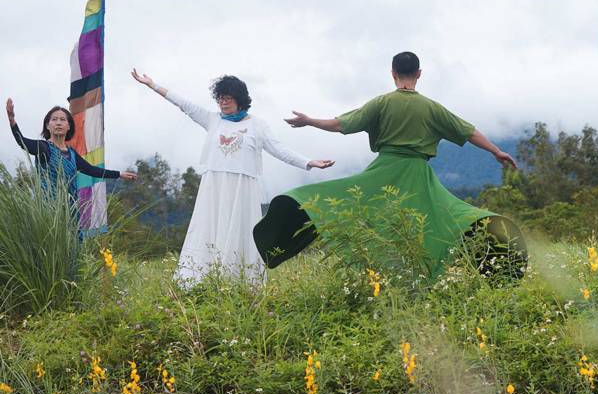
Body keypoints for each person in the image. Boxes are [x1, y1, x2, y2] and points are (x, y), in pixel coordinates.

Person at [252, 51, 521, 278]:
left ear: (393, 73)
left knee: (366, 214)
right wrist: (496, 151)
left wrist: (310, 121)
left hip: (384, 172)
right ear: (419, 74)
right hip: (418, 176)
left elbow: (340, 124)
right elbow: (469, 132)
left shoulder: (381, 103)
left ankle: (379, 274)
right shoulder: (432, 107)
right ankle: (451, 271)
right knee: (443, 220)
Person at [131, 69, 333, 285]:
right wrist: (152, 85)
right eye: (220, 98)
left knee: (241, 230)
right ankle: (199, 279)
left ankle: (241, 281)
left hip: (242, 187)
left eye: (228, 98)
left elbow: (279, 149)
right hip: (214, 185)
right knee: (209, 228)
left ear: (240, 99)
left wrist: (308, 162)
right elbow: (183, 104)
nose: (223, 103)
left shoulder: (258, 125)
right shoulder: (212, 120)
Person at [6, 98, 136, 220]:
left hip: (70, 212)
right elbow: (22, 142)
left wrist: (119, 174)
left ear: (69, 126)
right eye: (54, 119)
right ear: (47, 125)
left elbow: (91, 170)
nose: (58, 123)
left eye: (62, 120)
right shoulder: (43, 147)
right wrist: (12, 120)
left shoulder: (72, 154)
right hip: (47, 213)